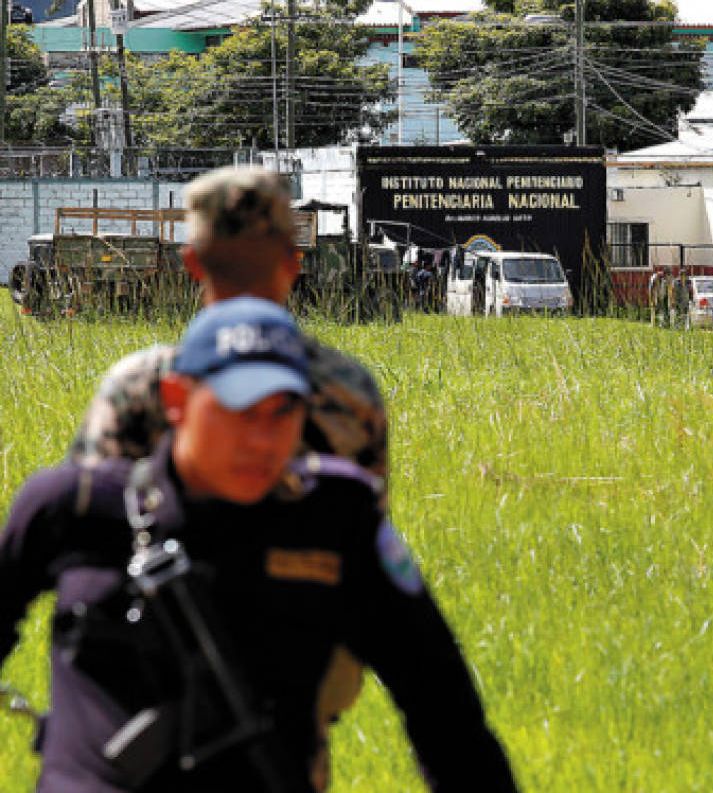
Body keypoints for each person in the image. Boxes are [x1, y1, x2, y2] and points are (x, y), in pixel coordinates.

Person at [0, 299, 518, 793]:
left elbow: (446, 716)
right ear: (178, 400)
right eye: (239, 408)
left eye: (283, 410)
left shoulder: (335, 524)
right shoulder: (74, 507)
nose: (262, 438)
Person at [68, 165, 388, 498]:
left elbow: (88, 507)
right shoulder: (350, 388)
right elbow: (369, 527)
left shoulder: (139, 385)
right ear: (294, 263)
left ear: (191, 262)